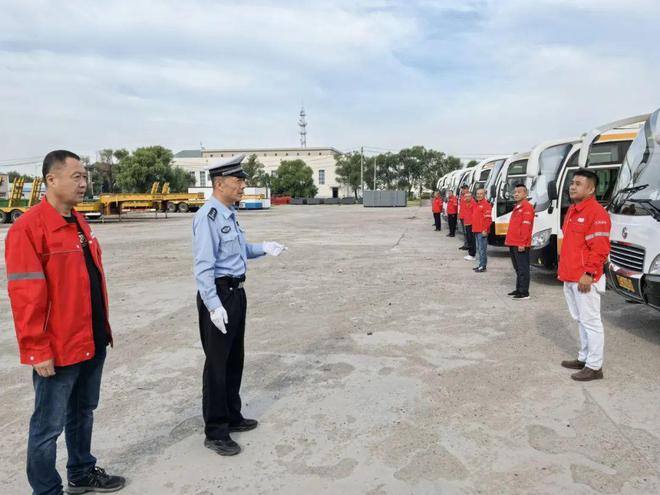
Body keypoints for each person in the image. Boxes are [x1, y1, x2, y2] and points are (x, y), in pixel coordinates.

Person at [4, 150, 125, 495]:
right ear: (51, 180)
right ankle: (46, 489)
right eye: (77, 177)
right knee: (48, 426)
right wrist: (36, 349)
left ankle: (82, 471)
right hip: (57, 348)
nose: (84, 183)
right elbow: (26, 297)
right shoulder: (28, 229)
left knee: (83, 411)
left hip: (92, 338)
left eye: (85, 177)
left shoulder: (79, 222)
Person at [193, 154, 287, 456]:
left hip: (236, 293)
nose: (243, 185)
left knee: (234, 359)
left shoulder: (229, 213)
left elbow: (239, 251)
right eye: (238, 180)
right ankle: (216, 430)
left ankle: (232, 414)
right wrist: (212, 304)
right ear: (220, 184)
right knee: (217, 365)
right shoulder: (207, 216)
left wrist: (263, 248)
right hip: (219, 295)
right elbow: (204, 266)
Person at [558, 169, 611, 382]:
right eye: (572, 183)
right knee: (580, 319)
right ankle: (584, 357)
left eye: (578, 183)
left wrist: (589, 273)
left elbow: (600, 248)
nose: (573, 186)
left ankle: (595, 366)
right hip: (570, 276)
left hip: (585, 278)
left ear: (591, 188)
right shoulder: (572, 210)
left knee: (591, 321)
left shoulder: (597, 213)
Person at [505, 184, 535, 299]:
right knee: (517, 268)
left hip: (520, 243)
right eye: (515, 192)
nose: (516, 194)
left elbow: (526, 228)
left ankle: (524, 292)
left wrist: (522, 243)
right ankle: (519, 289)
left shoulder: (527, 207)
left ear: (525, 194)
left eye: (519, 192)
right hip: (513, 242)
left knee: (523, 268)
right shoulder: (517, 206)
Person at [471, 188, 492, 273]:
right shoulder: (477, 204)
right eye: (477, 194)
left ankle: (483, 266)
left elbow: (488, 219)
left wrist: (485, 230)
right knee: (479, 249)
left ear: (484, 195)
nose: (479, 195)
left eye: (481, 194)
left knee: (482, 249)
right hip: (476, 230)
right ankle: (480, 264)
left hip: (482, 231)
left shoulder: (486, 205)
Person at [461, 191, 476, 261]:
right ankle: (470, 253)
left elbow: (475, 214)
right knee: (469, 239)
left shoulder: (473, 203)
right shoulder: (466, 202)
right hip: (467, 223)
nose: (467, 198)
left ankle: (472, 254)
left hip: (471, 224)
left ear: (471, 196)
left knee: (472, 240)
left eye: (468, 196)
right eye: (466, 196)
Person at [458, 185, 470, 249]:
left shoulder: (469, 197)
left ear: (467, 189)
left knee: (467, 232)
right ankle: (465, 244)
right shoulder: (462, 196)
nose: (462, 190)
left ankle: (468, 244)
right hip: (462, 216)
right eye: (462, 189)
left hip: (466, 217)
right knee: (464, 232)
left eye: (464, 189)